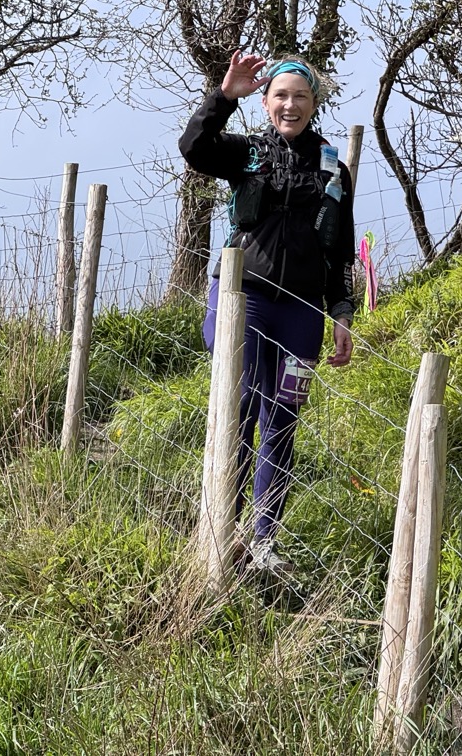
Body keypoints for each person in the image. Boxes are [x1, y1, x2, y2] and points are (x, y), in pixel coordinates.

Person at [179, 50, 356, 574]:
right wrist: (223, 97)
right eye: (281, 95)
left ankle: (263, 542)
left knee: (282, 420)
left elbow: (340, 250)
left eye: (301, 96)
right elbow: (193, 147)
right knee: (239, 411)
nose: (291, 105)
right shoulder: (244, 152)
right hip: (243, 302)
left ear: (314, 103)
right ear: (265, 101)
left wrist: (341, 313)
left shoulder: (333, 166)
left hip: (302, 313)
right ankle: (220, 529)